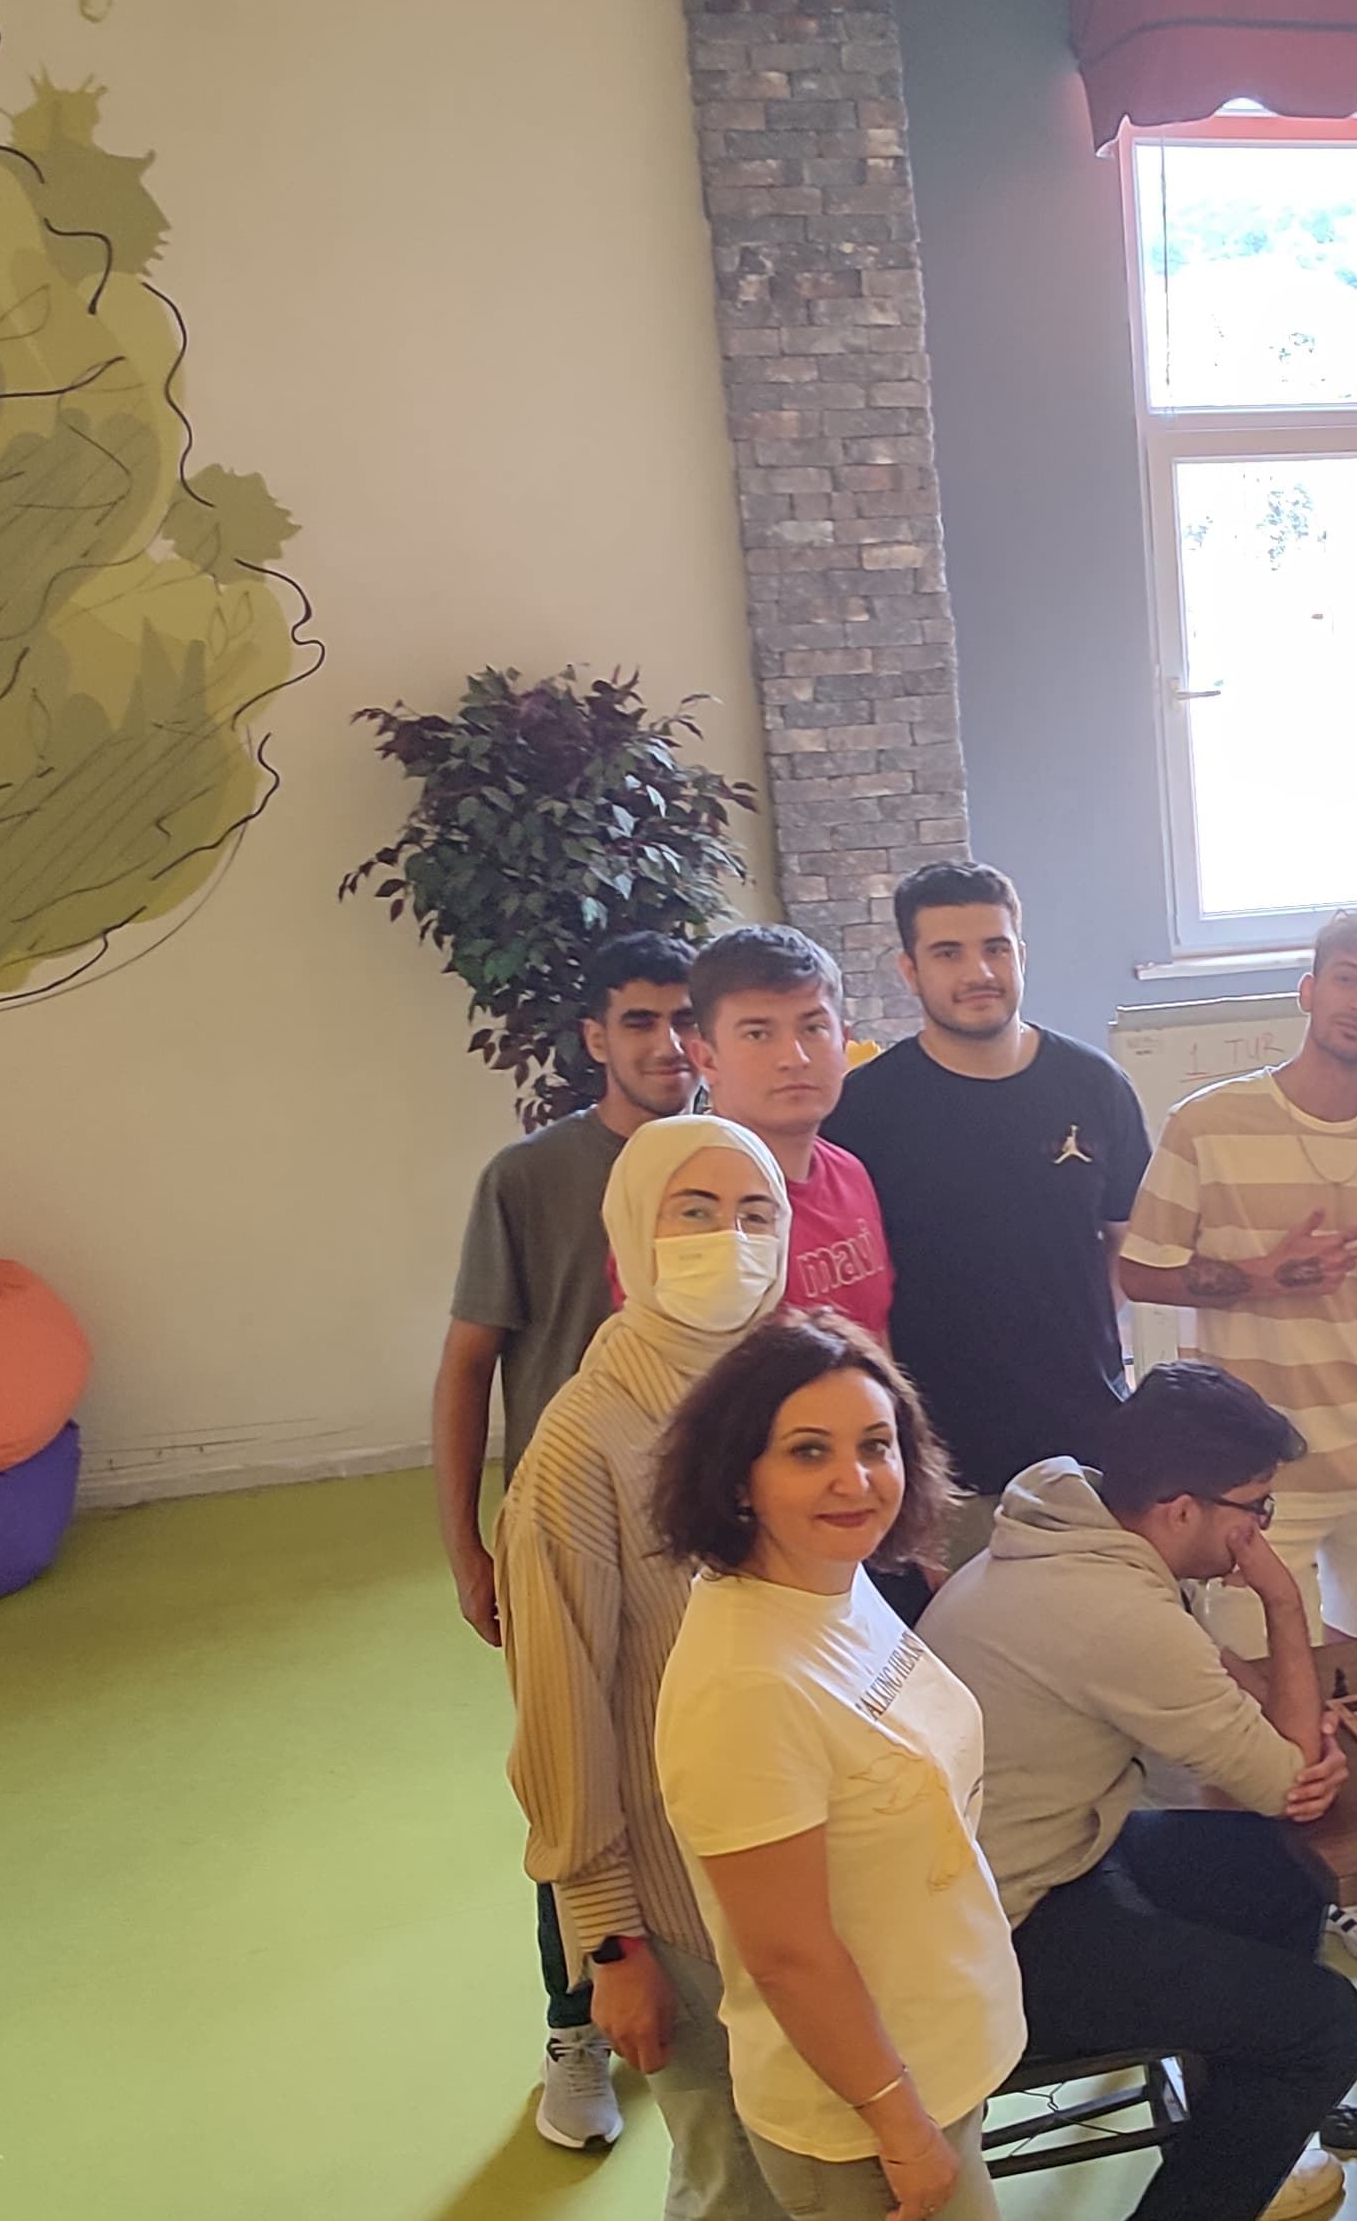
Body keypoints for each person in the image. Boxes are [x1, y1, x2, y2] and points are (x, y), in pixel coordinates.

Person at [649, 1315, 1151, 2221]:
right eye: (806, 1451)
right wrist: (898, 2124)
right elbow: (789, 1952)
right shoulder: (744, 1677)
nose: (853, 1478)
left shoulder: (836, 1593)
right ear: (736, 1474)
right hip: (867, 2102)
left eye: (873, 1444)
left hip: (936, 2052)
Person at [496, 1115, 822, 2221]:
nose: (728, 1239)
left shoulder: (790, 1393)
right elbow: (561, 1711)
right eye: (693, 1209)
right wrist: (606, 1938)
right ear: (630, 1236)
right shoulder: (582, 1447)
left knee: (718, 2164)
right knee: (755, 2194)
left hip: (790, 1857)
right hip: (681, 1896)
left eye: (755, 1208)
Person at [919, 1363, 1357, 2221]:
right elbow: (1290, 1782)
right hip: (999, 1939)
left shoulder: (1065, 1514)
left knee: (1279, 1876)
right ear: (1179, 1508)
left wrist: (1273, 1733)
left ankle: (1242, 2149)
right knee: (1325, 2028)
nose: (1258, 1534)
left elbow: (1242, 1729)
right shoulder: (1114, 1613)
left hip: (1032, 1865)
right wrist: (1283, 1603)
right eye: (1254, 1509)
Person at [1118, 908, 1357, 1973]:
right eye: (1343, 978)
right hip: (1251, 1480)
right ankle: (1265, 1901)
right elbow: (1138, 1269)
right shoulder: (1207, 1123)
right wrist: (1258, 1277)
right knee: (1253, 1700)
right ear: (1308, 991)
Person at [436, 927, 698, 2152]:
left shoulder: (729, 1167)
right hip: (577, 1538)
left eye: (686, 1019)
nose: (668, 1044)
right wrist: (467, 1549)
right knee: (573, 1770)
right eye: (639, 1021)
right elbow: (467, 1365)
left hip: (705, 1541)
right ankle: (574, 2029)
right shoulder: (531, 1179)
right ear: (596, 1038)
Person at [827, 862, 1150, 1566]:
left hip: (1087, 1447)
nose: (978, 972)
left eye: (995, 948)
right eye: (948, 953)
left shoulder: (1095, 1086)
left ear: (1020, 955)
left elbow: (1126, 1240)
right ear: (910, 971)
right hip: (940, 1466)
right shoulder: (862, 1112)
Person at [683, 923, 896, 1339]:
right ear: (706, 1059)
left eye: (813, 1028)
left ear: (843, 1043)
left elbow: (876, 1338)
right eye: (758, 1034)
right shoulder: (686, 1203)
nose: (793, 1057)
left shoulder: (850, 1172)